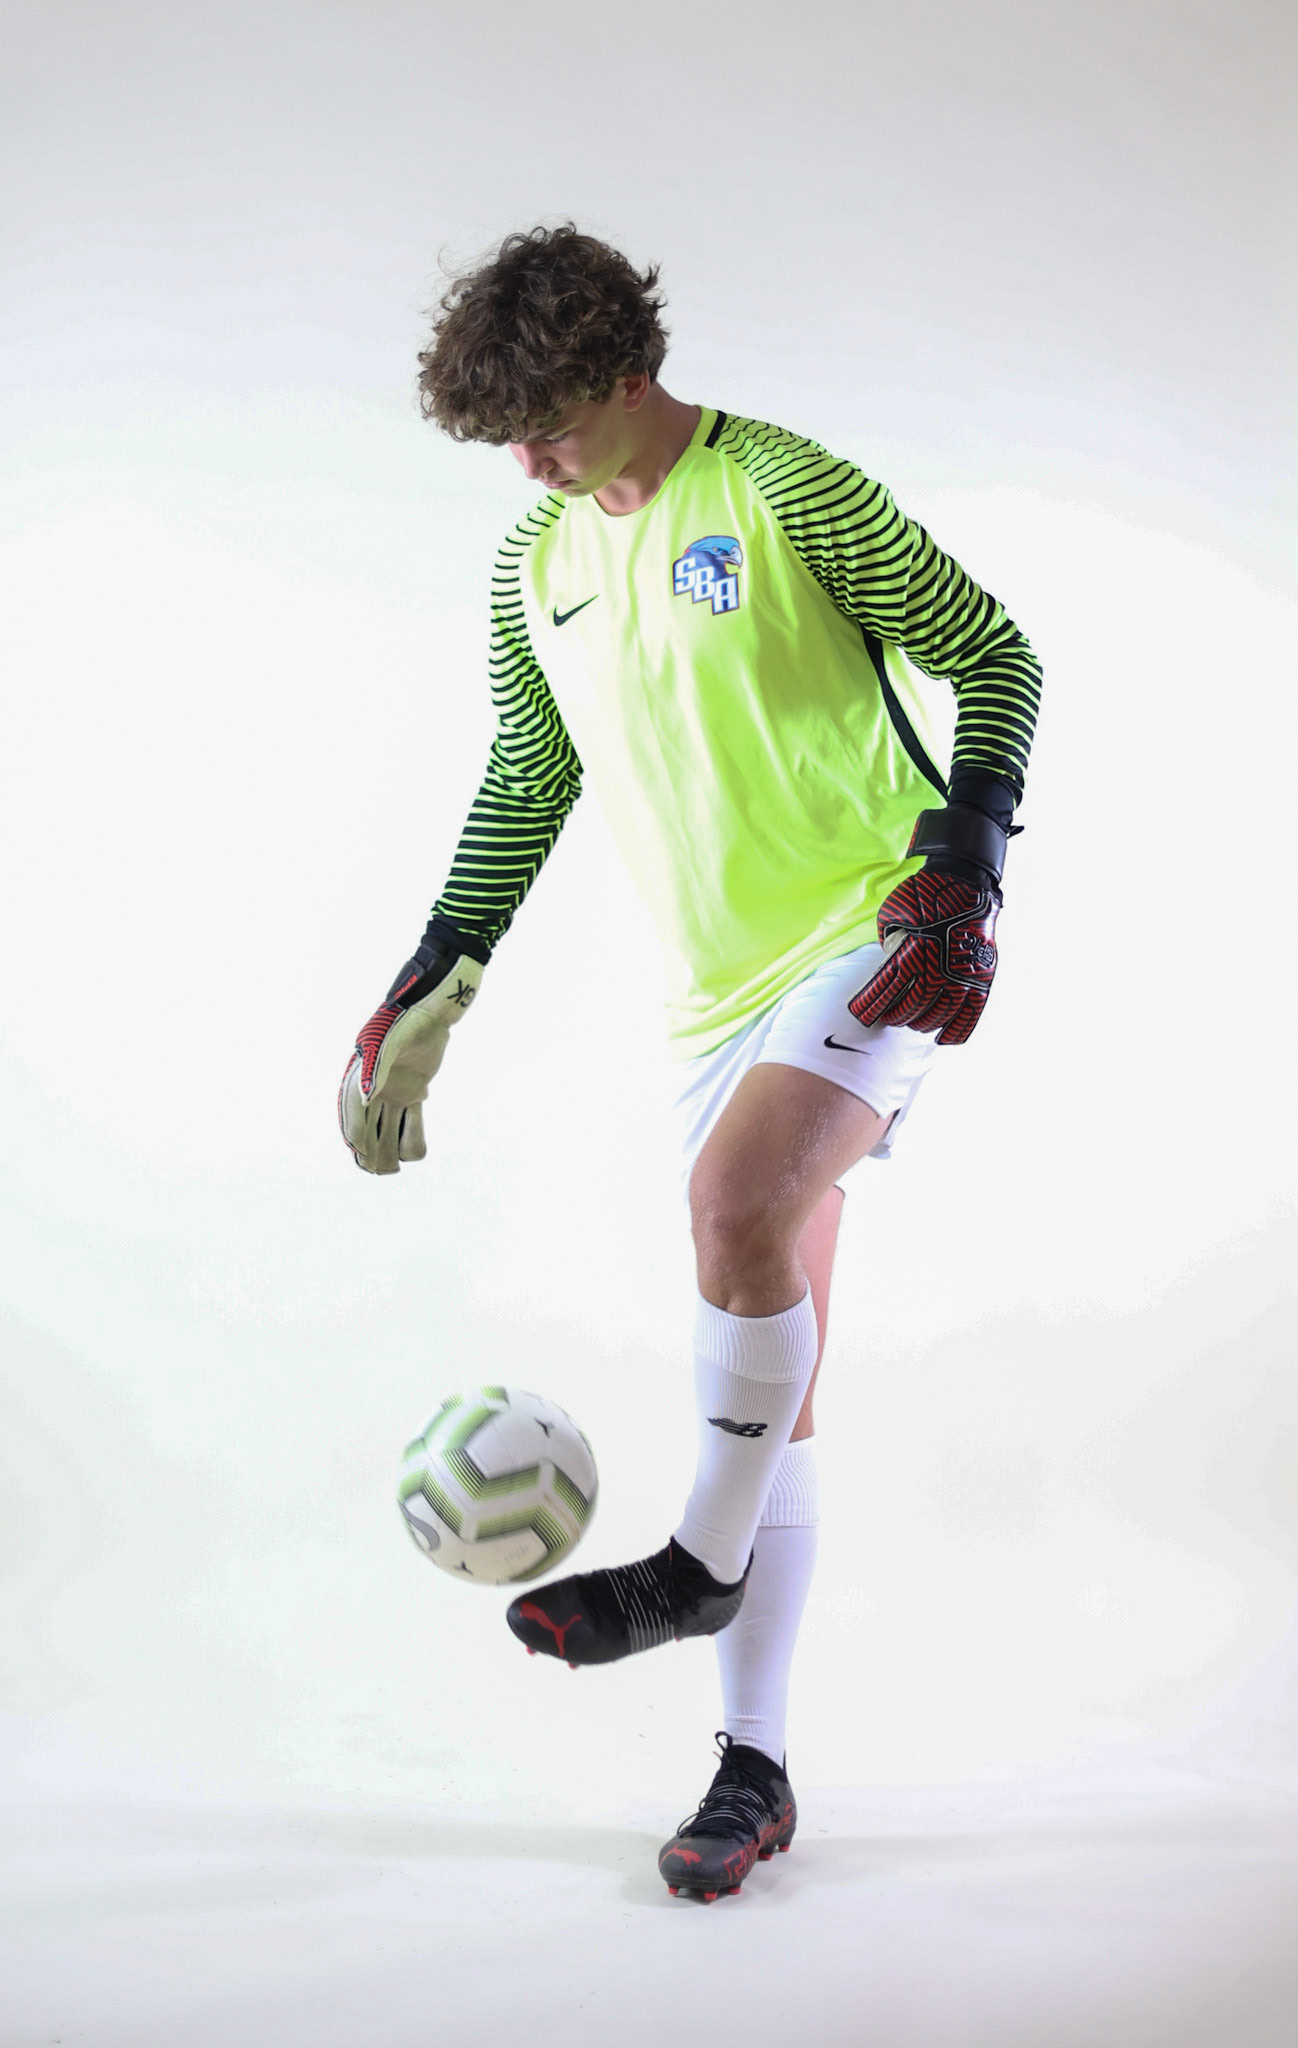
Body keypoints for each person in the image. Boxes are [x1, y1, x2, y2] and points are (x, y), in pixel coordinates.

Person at [339, 224, 1042, 1902]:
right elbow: (532, 772)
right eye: (503, 438)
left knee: (736, 1211)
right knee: (773, 1376)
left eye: (548, 426)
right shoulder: (536, 560)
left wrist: (969, 855)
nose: (525, 461)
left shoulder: (790, 489)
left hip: (883, 919)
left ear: (627, 373)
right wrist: (438, 965)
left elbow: (995, 652)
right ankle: (752, 1772)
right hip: (712, 992)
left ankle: (689, 1568)